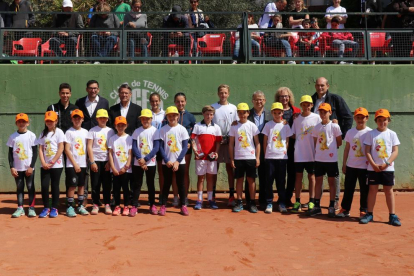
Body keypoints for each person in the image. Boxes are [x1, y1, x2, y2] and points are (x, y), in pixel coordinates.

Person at [311, 77, 353, 210]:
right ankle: (316, 202)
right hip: (318, 143)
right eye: (318, 85)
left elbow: (348, 117)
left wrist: (339, 137)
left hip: (331, 144)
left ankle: (334, 201)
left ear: (327, 86)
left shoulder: (336, 99)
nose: (320, 88)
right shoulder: (311, 100)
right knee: (318, 177)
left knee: (332, 177)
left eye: (322, 85)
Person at [361, 109, 401, 226]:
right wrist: (373, 165)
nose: (382, 122)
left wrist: (386, 164)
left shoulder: (392, 134)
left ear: (388, 120)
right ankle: (369, 214)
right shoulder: (370, 134)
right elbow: (367, 151)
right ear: (376, 121)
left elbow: (395, 152)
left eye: (384, 120)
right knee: (372, 190)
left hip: (387, 169)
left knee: (388, 191)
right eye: (379, 120)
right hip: (373, 169)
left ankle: (392, 215)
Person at [307, 103, 342, 217]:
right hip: (319, 160)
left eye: (325, 112)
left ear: (330, 113)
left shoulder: (335, 126)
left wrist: (330, 150)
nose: (323, 114)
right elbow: (315, 141)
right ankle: (317, 206)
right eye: (321, 112)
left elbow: (339, 142)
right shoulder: (316, 127)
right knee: (318, 182)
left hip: (331, 160)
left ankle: (331, 206)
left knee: (332, 183)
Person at [336, 107, 371, 219]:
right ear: (354, 118)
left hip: (365, 167)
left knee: (364, 190)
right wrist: (344, 164)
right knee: (348, 189)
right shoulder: (350, 132)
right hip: (351, 166)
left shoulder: (370, 133)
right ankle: (345, 209)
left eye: (363, 117)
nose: (360, 119)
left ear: (367, 118)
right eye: (358, 117)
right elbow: (347, 148)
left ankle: (363, 211)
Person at [158, 106, 190, 216]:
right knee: (166, 184)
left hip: (179, 163)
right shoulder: (163, 130)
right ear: (167, 117)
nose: (172, 117)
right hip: (166, 163)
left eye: (174, 115)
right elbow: (161, 147)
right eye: (169, 115)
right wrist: (166, 160)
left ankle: (183, 206)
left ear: (178, 116)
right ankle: (163, 205)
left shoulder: (182, 129)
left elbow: (185, 147)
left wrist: (177, 161)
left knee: (181, 184)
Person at [290, 95, 321, 212]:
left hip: (312, 154)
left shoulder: (317, 118)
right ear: (301, 106)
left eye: (308, 104)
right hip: (299, 154)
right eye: (304, 104)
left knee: (311, 177)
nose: (306, 106)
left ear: (312, 105)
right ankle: (297, 201)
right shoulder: (296, 119)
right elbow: (293, 134)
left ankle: (311, 201)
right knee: (298, 177)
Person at [165, 92, 196, 206]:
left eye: (182, 101)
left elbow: (194, 132)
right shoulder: (169, 115)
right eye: (178, 101)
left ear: (185, 102)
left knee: (184, 173)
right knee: (173, 173)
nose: (180, 103)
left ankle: (185, 197)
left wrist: (189, 142)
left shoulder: (190, 116)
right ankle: (175, 197)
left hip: (185, 149)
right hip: (172, 150)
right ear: (175, 102)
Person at [229, 103, 260, 213]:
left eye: (244, 113)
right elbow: (231, 144)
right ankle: (239, 201)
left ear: (248, 113)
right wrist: (232, 159)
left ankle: (252, 202)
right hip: (238, 158)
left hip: (250, 158)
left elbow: (257, 143)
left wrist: (257, 158)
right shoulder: (234, 126)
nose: (242, 115)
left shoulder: (252, 126)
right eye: (240, 113)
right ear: (238, 114)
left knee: (251, 180)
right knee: (239, 180)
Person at [262, 102, 292, 214]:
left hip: (282, 158)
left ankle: (281, 203)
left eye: (279, 112)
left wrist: (284, 152)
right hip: (270, 157)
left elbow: (287, 141)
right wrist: (266, 154)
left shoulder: (286, 125)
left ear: (282, 113)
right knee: (269, 181)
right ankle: (269, 202)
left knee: (281, 181)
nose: (277, 114)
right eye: (275, 112)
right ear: (272, 113)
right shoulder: (268, 125)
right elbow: (265, 140)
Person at [211, 84, 238, 206]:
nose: (223, 95)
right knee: (213, 169)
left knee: (230, 168)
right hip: (216, 143)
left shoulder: (234, 108)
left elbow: (236, 124)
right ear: (218, 94)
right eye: (221, 92)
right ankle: (213, 196)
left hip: (229, 143)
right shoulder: (213, 107)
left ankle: (231, 195)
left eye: (225, 93)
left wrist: (230, 139)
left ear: (228, 94)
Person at [191, 105, 222, 210]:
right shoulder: (197, 126)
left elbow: (218, 142)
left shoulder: (216, 127)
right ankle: (199, 200)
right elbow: (193, 140)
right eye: (207, 114)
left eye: (211, 114)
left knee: (210, 178)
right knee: (201, 178)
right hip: (200, 157)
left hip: (212, 157)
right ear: (203, 114)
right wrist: (195, 150)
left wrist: (216, 153)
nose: (209, 116)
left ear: (213, 115)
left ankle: (210, 199)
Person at [7, 113, 37, 218]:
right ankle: (20, 208)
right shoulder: (12, 137)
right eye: (19, 121)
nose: (21, 123)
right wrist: (12, 167)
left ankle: (31, 208)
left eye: (24, 121)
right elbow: (10, 154)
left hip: (29, 168)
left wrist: (31, 167)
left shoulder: (32, 135)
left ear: (27, 123)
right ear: (16, 123)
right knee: (19, 187)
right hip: (17, 168)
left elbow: (35, 152)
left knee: (30, 187)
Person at [245, 91, 272, 209]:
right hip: (250, 148)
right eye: (256, 99)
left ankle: (263, 200)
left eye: (261, 99)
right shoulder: (247, 114)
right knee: (250, 176)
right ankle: (249, 200)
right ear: (252, 101)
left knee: (265, 175)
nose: (258, 101)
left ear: (265, 101)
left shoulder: (271, 115)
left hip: (266, 148)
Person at [274, 87, 300, 207]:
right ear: (278, 98)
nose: (284, 98)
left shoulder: (297, 111)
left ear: (289, 97)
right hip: (279, 147)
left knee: (292, 173)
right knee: (280, 174)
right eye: (281, 96)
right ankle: (281, 197)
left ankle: (288, 197)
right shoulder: (275, 111)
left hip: (293, 147)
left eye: (286, 96)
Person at [131, 109, 160, 216]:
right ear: (140, 120)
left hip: (150, 163)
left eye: (147, 118)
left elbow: (156, 147)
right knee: (137, 184)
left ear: (151, 119)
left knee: (150, 184)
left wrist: (146, 159)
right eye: (143, 118)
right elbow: (134, 146)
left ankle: (152, 204)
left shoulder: (155, 131)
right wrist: (140, 159)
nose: (145, 120)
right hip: (138, 163)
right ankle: (134, 205)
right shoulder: (136, 131)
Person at [37, 111, 65, 218]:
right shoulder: (42, 133)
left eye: (51, 121)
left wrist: (52, 161)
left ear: (56, 121)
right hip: (44, 166)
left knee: (54, 186)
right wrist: (43, 162)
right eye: (47, 121)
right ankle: (46, 207)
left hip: (56, 165)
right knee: (44, 186)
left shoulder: (59, 132)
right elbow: (40, 149)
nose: (49, 122)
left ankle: (54, 208)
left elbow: (61, 148)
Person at [87, 109, 115, 215]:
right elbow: (89, 146)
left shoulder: (111, 131)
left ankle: (107, 203)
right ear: (97, 119)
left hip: (107, 161)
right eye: (100, 118)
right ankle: (95, 204)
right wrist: (92, 162)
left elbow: (111, 148)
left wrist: (109, 162)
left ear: (107, 119)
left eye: (104, 118)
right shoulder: (92, 131)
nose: (102, 120)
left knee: (107, 184)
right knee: (95, 184)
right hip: (96, 161)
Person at [64, 109, 90, 217]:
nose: (77, 120)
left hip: (83, 164)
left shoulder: (85, 132)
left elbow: (88, 148)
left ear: (83, 119)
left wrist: (88, 161)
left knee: (81, 185)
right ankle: (70, 206)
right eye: (75, 118)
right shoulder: (69, 132)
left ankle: (80, 206)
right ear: (72, 119)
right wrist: (74, 163)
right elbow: (67, 149)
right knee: (72, 186)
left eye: (79, 118)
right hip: (72, 164)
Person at [108, 116, 133, 216]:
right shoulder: (112, 139)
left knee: (126, 188)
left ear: (126, 126)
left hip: (126, 170)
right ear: (115, 126)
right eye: (119, 125)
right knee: (116, 188)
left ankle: (126, 206)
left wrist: (126, 167)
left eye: (123, 125)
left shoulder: (129, 138)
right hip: (115, 170)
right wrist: (113, 168)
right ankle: (117, 206)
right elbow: (110, 153)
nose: (121, 127)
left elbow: (130, 154)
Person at [149, 92, 165, 202]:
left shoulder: (164, 114)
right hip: (149, 146)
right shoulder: (147, 113)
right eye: (152, 101)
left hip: (161, 145)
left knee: (161, 171)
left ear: (159, 101)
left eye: (156, 101)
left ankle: (162, 195)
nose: (155, 103)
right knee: (151, 172)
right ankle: (151, 196)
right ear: (150, 102)